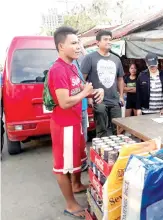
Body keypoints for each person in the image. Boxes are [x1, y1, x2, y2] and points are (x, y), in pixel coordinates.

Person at [48, 26, 103, 219]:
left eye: (79, 42)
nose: (79, 46)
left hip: (75, 121)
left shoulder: (72, 66)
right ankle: (70, 204)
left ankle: (77, 185)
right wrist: (85, 93)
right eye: (74, 43)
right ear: (61, 46)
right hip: (64, 126)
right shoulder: (58, 70)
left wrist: (95, 90)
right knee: (63, 166)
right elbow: (63, 102)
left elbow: (82, 86)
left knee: (78, 158)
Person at [81, 30, 124, 137]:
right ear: (98, 43)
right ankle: (103, 153)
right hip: (98, 100)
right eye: (105, 39)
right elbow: (82, 79)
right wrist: (89, 96)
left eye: (110, 39)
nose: (108, 41)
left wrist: (121, 96)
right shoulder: (89, 58)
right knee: (102, 130)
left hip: (114, 99)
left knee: (119, 130)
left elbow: (120, 79)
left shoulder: (116, 59)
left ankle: (119, 152)